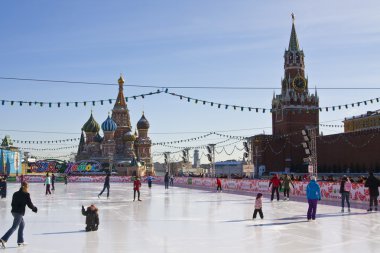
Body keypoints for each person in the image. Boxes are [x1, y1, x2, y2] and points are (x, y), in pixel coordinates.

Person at [0, 182, 38, 248]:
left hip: (14, 212)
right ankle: (3, 239)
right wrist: (34, 209)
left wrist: (15, 209)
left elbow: (12, 203)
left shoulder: (15, 193)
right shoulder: (26, 194)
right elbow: (29, 204)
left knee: (22, 224)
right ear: (26, 187)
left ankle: (20, 241)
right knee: (14, 227)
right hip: (19, 213)